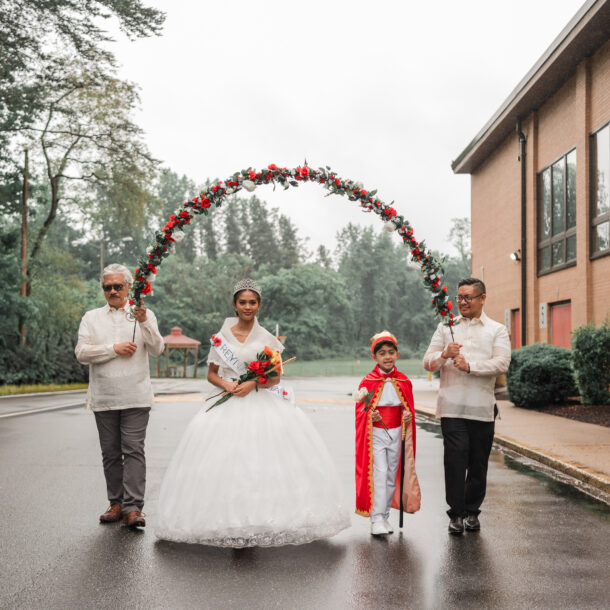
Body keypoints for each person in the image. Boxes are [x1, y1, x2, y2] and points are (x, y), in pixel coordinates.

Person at [156, 278, 350, 547]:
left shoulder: (267, 339)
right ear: (235, 305)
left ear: (258, 305)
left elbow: (276, 378)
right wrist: (227, 384)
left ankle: (263, 516)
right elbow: (211, 374)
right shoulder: (220, 338)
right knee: (225, 463)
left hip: (261, 402)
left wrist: (253, 382)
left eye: (253, 302)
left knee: (262, 464)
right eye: (243, 302)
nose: (248, 306)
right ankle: (225, 518)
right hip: (227, 400)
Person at [75, 263, 165, 529]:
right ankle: (115, 504)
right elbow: (81, 353)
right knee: (111, 453)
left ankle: (133, 508)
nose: (113, 291)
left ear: (129, 287)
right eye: (108, 287)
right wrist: (113, 348)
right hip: (103, 396)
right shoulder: (91, 317)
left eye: (118, 286)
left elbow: (158, 349)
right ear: (103, 290)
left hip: (136, 395)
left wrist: (144, 321)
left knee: (133, 450)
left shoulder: (142, 314)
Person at [423, 278, 511, 534]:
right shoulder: (445, 328)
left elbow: (502, 363)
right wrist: (444, 355)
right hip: (451, 408)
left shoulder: (496, 330)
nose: (462, 302)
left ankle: (472, 511)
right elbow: (427, 362)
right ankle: (456, 514)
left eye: (468, 297)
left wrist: (470, 367)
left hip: (482, 409)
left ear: (482, 298)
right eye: (460, 297)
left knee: (478, 463)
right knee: (454, 461)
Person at [354, 331, 420, 536]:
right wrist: (368, 414)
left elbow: (407, 407)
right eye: (382, 353)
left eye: (391, 352)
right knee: (380, 474)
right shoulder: (368, 381)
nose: (387, 357)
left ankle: (384, 516)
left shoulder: (403, 381)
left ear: (397, 354)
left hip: (398, 433)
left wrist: (407, 416)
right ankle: (375, 519)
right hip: (376, 434)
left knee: (392, 474)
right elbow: (360, 410)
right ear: (374, 357)